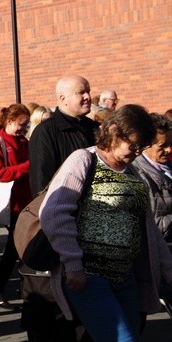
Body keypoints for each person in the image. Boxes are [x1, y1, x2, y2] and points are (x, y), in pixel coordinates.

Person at [40, 104, 172, 341]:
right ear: (113, 131)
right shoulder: (84, 160)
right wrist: (73, 265)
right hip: (89, 276)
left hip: (126, 277)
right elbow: (54, 213)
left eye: (141, 147)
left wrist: (167, 269)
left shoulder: (133, 172)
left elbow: (148, 229)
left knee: (131, 335)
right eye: (133, 145)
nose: (137, 152)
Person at [25, 75, 99, 341]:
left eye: (89, 91)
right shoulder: (47, 132)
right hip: (65, 229)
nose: (88, 96)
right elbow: (41, 187)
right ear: (62, 98)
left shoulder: (94, 129)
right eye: (81, 92)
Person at [0, 104, 32, 308]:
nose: (24, 128)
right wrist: (26, 167)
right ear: (10, 121)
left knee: (18, 248)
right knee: (16, 248)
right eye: (22, 124)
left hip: (27, 202)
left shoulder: (24, 142)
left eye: (26, 124)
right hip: (9, 204)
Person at [132, 113, 172, 243]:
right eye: (162, 145)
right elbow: (152, 226)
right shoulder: (137, 175)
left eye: (170, 144)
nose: (169, 150)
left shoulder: (166, 166)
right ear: (145, 145)